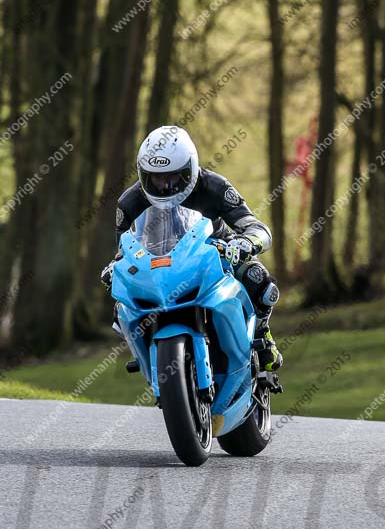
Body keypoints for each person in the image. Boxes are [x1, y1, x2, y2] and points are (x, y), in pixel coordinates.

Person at [101, 126, 283, 371]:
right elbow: (124, 251)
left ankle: (262, 336)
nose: (163, 185)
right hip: (157, 264)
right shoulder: (129, 202)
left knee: (257, 278)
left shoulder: (215, 186)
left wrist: (245, 242)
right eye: (156, 177)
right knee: (121, 304)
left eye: (172, 176)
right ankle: (146, 357)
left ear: (190, 170)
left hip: (215, 254)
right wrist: (115, 267)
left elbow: (254, 225)